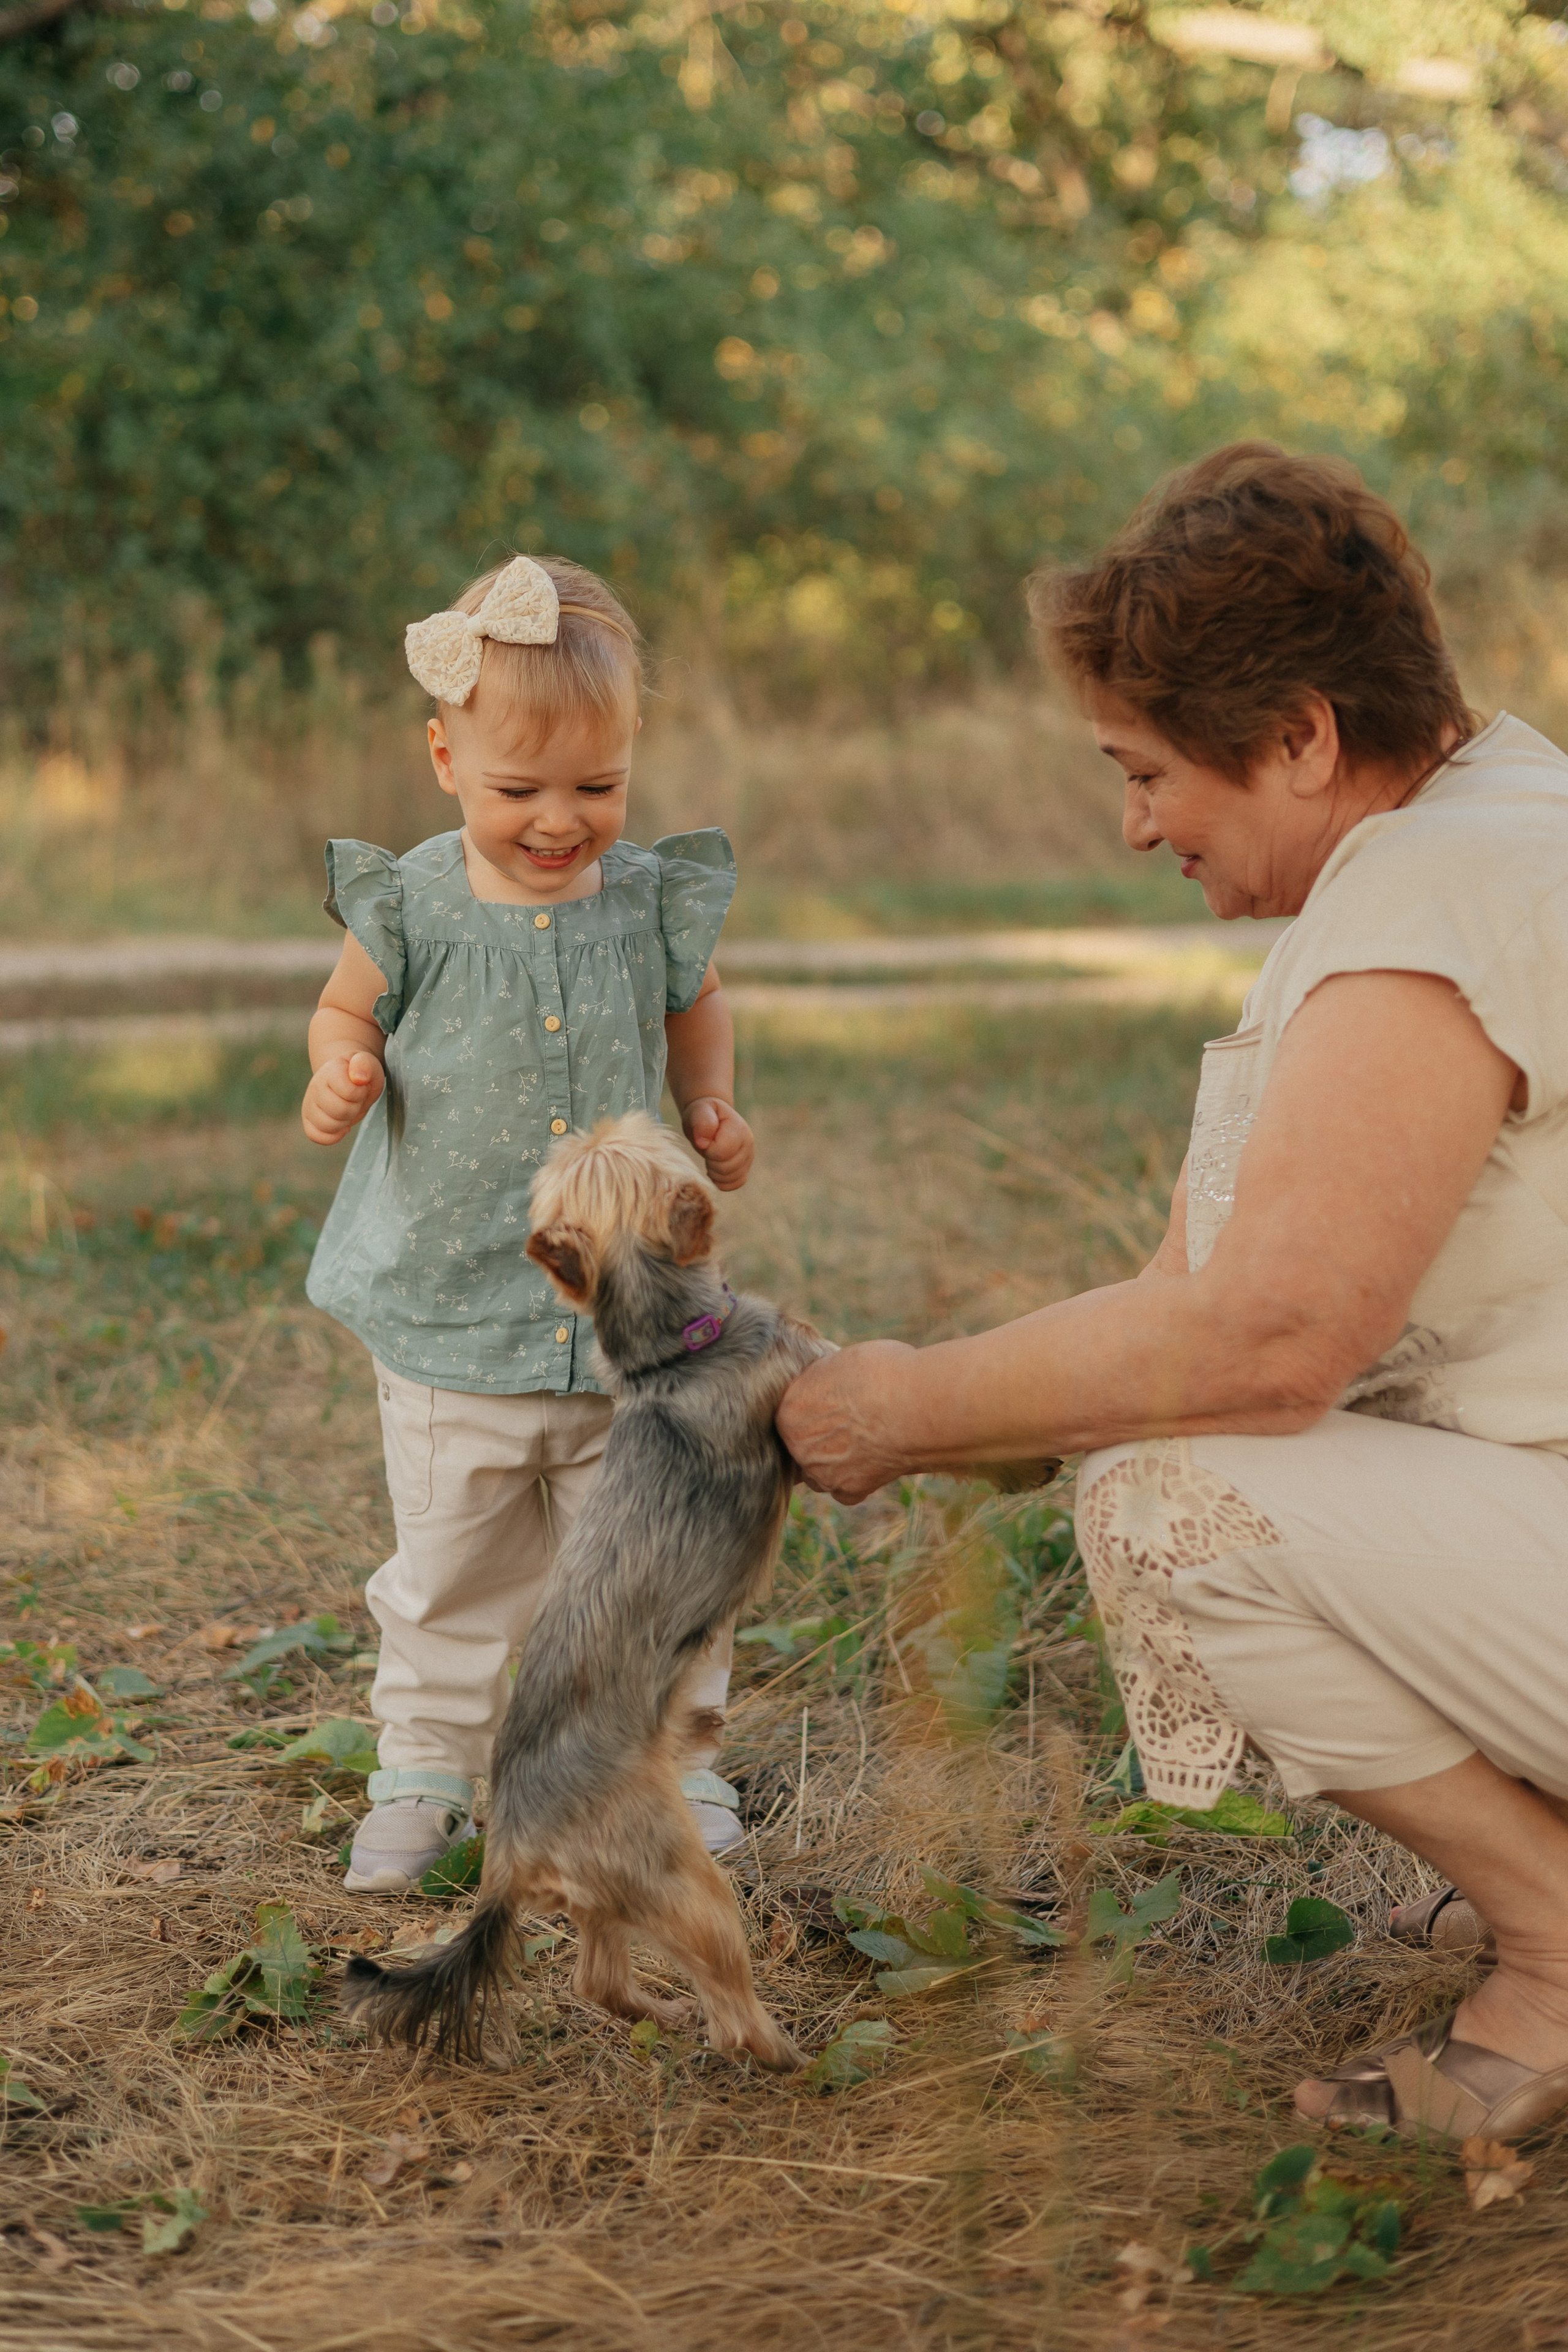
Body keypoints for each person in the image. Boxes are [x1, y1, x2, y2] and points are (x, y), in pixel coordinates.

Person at [778, 444, 1568, 2143]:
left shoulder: (1432, 908)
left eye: (1146, 773)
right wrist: (970, 1401)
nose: (1133, 823)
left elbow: (1266, 1341)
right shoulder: (1497, 812)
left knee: (1171, 1484)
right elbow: (1188, 1284)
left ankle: (1563, 1945)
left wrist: (889, 1411)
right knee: (1157, 1445)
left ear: (1299, 736)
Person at [301, 552, 755, 1893]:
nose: (560, 821)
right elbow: (343, 1009)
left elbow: (697, 1005)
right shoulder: (417, 902)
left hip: (627, 1324)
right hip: (453, 1312)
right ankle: (426, 1776)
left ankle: (667, 1758)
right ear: (444, 758)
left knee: (654, 1555)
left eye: (596, 789)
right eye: (519, 790)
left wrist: (711, 1099)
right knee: (450, 1570)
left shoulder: (644, 901)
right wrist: (341, 1065)